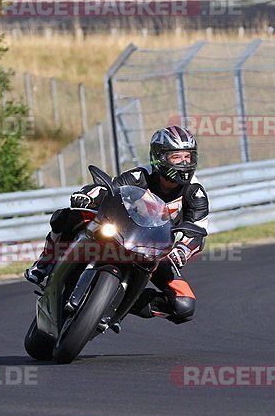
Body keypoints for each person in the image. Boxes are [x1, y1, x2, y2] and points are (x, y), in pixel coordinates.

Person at [25, 125, 209, 324]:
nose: (184, 163)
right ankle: (44, 264)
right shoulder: (140, 176)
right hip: (124, 235)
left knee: (184, 305)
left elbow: (198, 231)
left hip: (156, 252)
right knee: (65, 217)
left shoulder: (195, 194)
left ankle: (121, 302)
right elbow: (109, 189)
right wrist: (86, 196)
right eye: (176, 157)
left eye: (188, 157)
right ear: (159, 157)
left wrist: (181, 251)